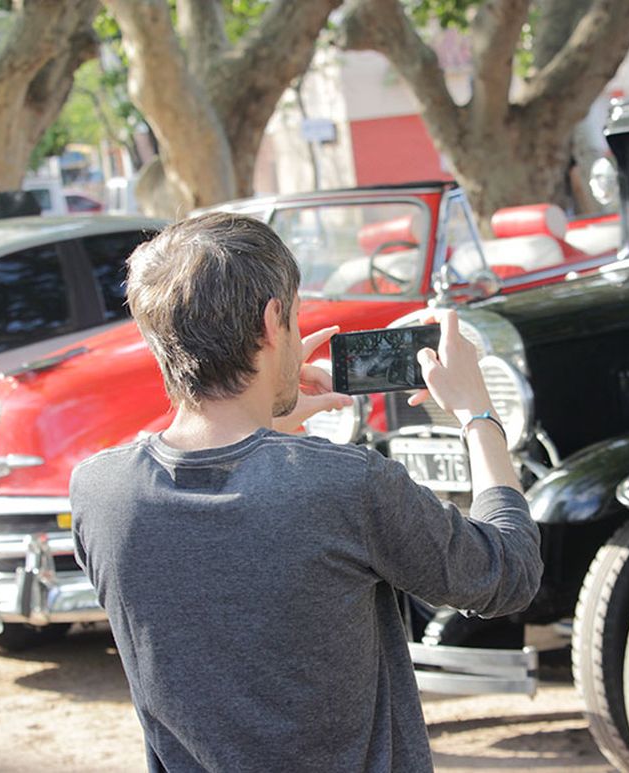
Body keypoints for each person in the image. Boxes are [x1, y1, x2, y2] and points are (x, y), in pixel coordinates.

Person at [69, 212, 542, 772]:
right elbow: (507, 574)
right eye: (293, 317)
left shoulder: (98, 492)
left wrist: (263, 425)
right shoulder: (345, 484)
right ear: (273, 323)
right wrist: (478, 416)